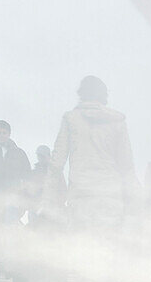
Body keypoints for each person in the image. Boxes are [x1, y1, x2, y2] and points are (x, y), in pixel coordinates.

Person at [48, 75, 135, 228]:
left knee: (81, 247)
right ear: (103, 95)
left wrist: (47, 200)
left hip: (81, 196)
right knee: (109, 248)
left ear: (81, 93)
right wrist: (132, 205)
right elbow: (126, 165)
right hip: (111, 196)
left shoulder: (71, 119)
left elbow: (56, 163)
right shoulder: (117, 122)